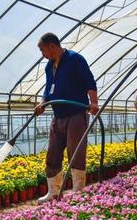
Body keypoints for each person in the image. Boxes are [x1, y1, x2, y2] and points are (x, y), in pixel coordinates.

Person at [34, 33, 99, 202]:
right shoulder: (49, 66)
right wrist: (42, 103)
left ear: (52, 46)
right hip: (58, 116)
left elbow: (89, 81)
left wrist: (94, 102)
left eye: (42, 50)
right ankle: (53, 192)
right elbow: (48, 90)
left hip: (76, 114)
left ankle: (78, 191)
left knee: (75, 152)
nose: (42, 54)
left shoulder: (75, 59)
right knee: (53, 153)